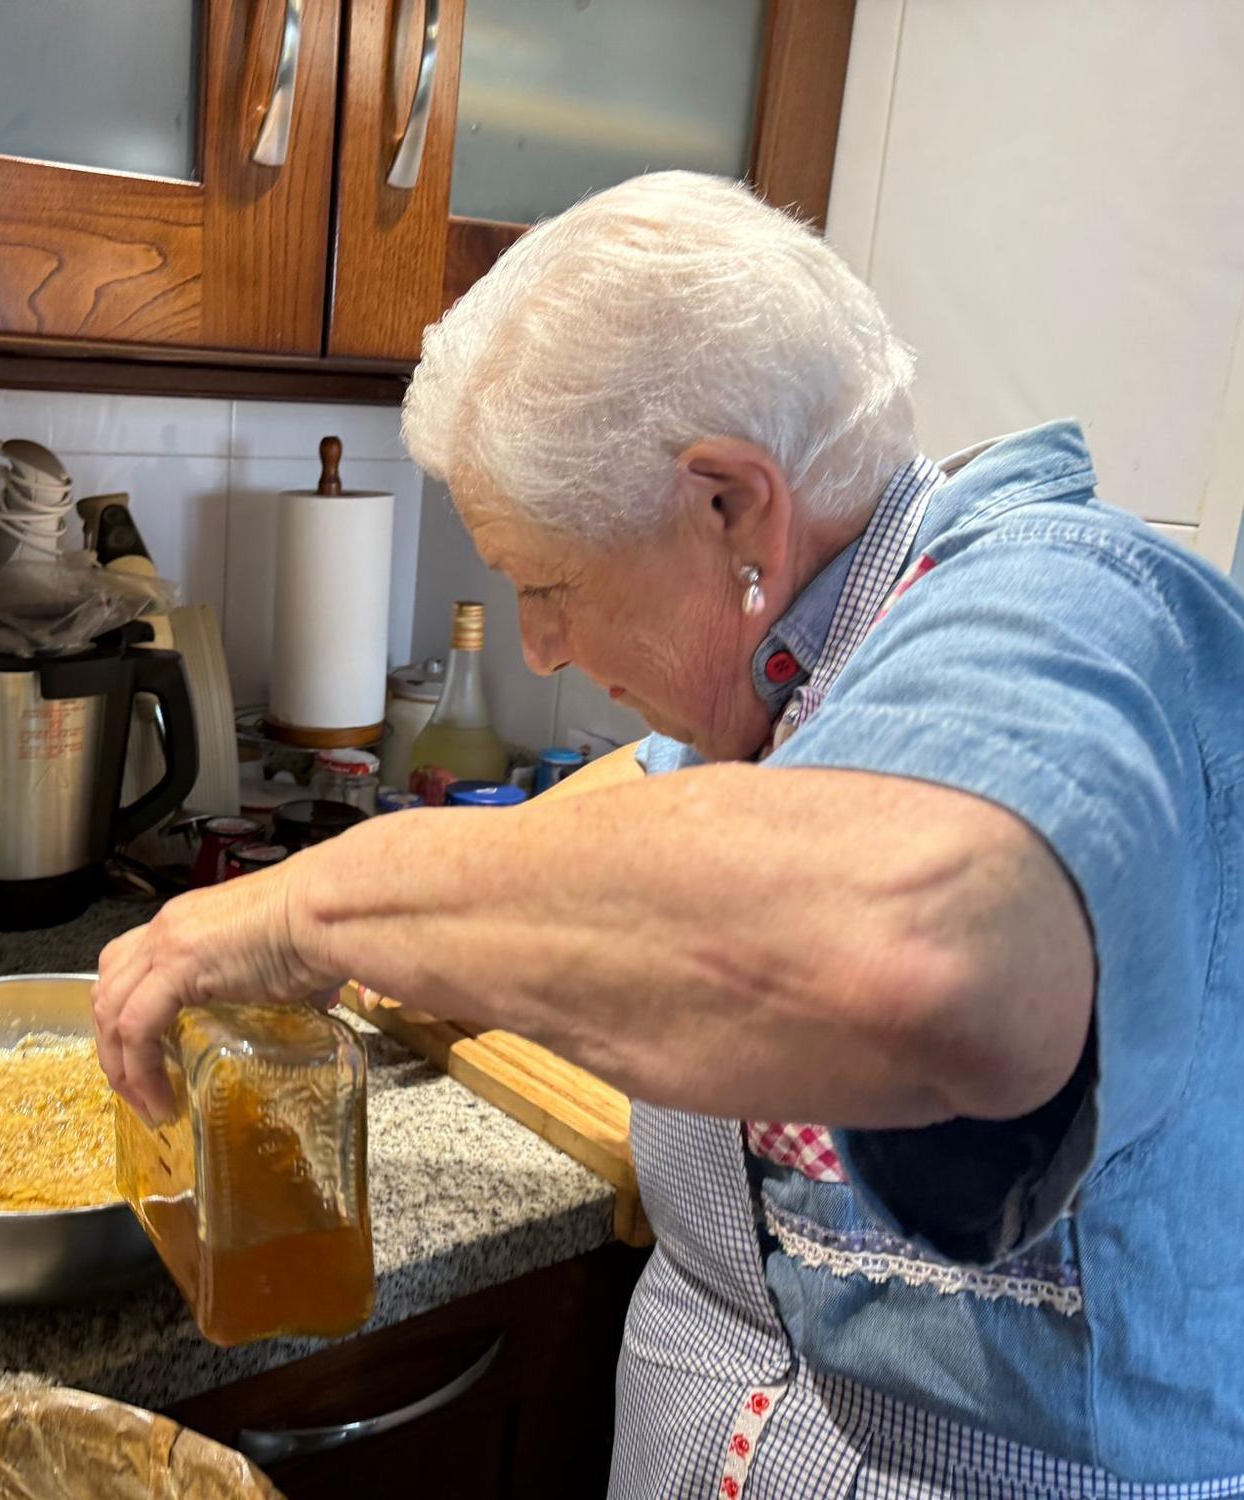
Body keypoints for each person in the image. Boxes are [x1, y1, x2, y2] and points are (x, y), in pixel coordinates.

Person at [90, 172, 1244, 1494]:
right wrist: (396, 935)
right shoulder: (776, 679)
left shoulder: (1073, 609)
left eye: (548, 585)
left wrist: (314, 908)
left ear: (730, 507)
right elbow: (626, 818)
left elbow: (924, 956)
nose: (539, 647)